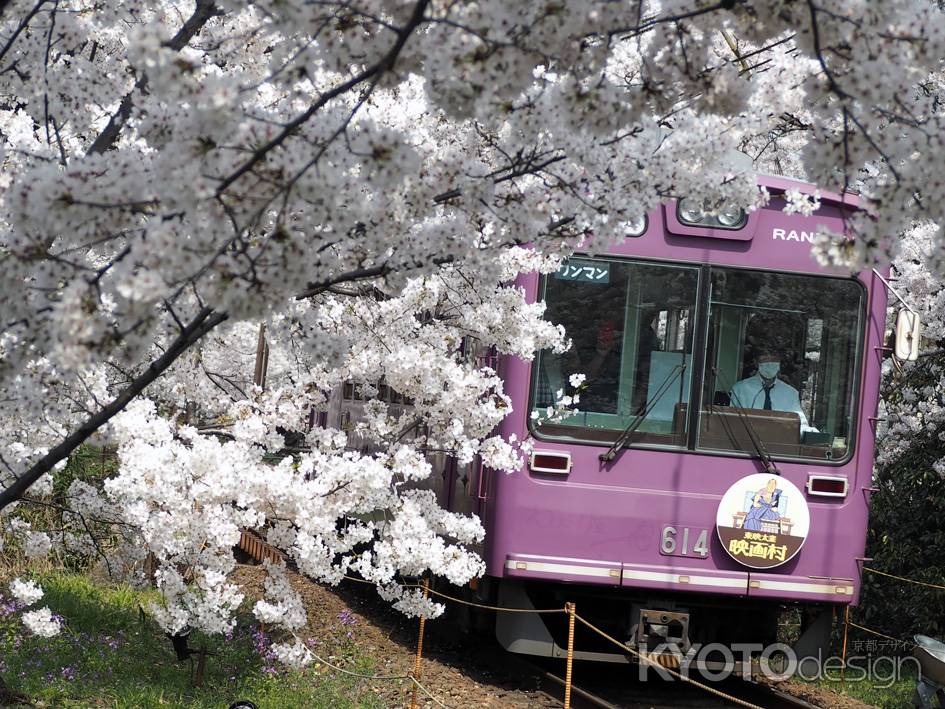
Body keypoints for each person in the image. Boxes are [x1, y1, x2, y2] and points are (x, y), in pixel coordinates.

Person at [730, 349, 815, 432]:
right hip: (746, 441)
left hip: (779, 441)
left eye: (774, 359)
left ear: (779, 364)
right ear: (757, 363)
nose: (769, 362)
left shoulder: (790, 393)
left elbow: (800, 423)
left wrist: (810, 433)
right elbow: (730, 420)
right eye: (764, 359)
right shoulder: (740, 389)